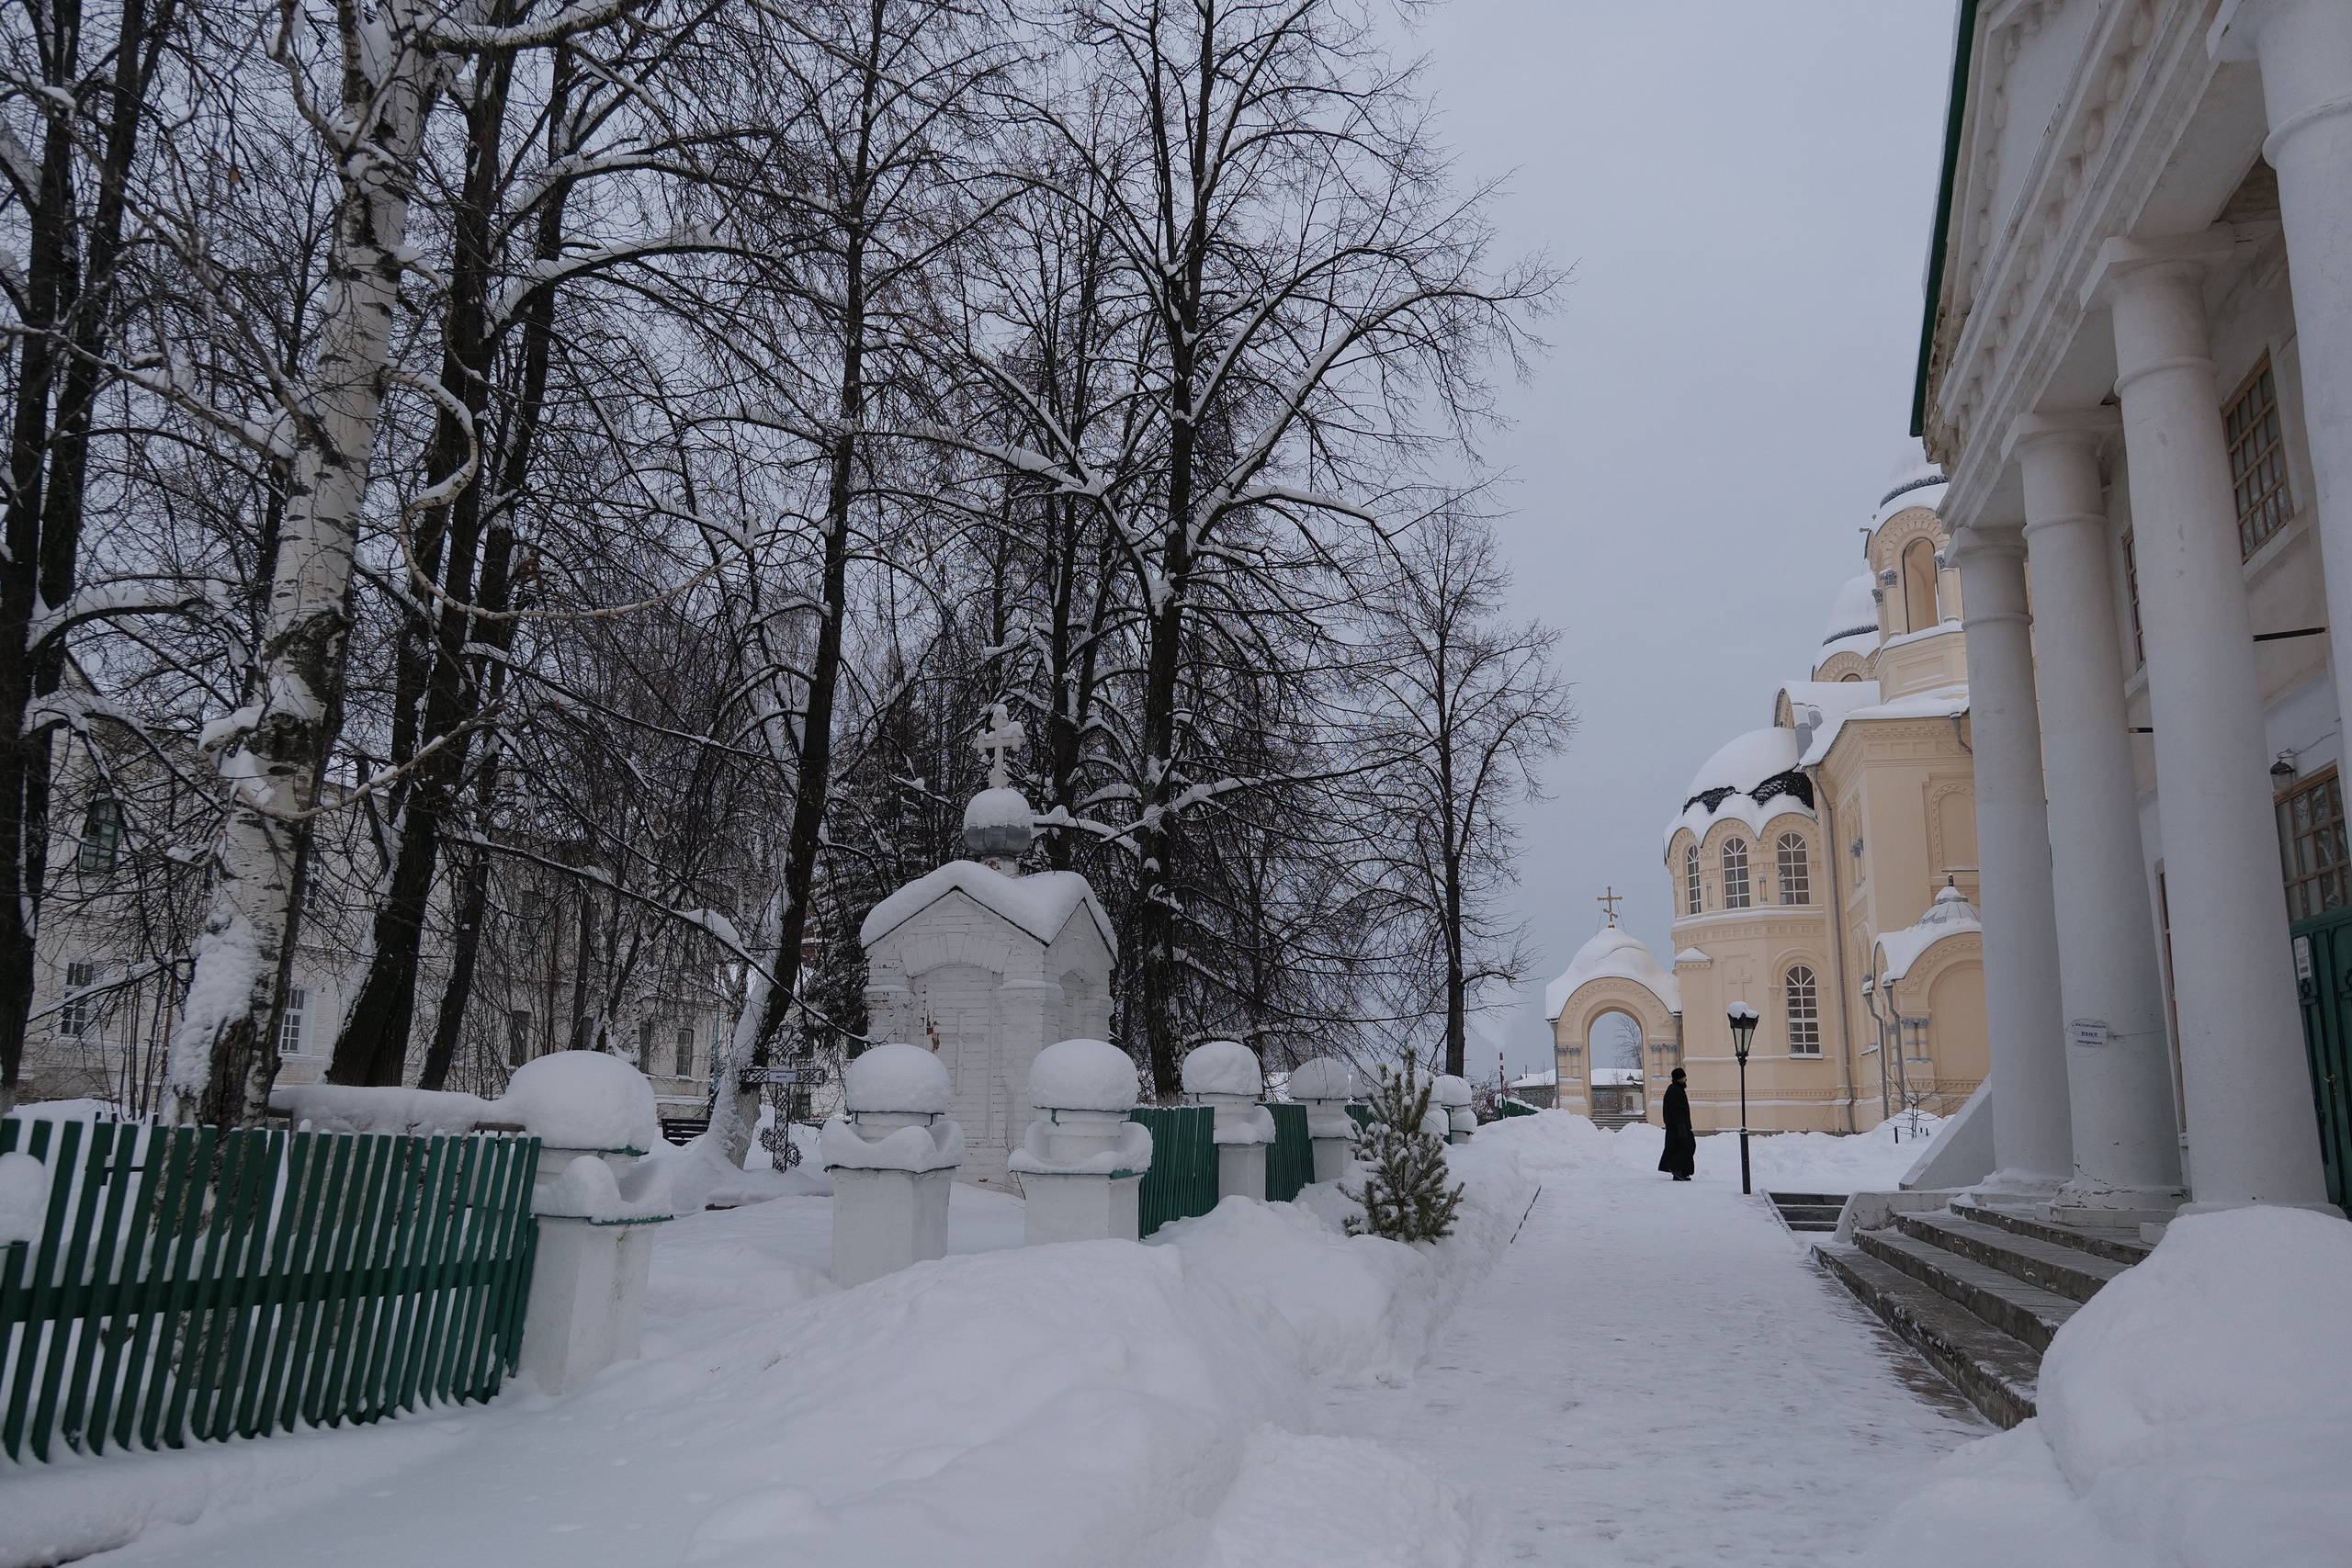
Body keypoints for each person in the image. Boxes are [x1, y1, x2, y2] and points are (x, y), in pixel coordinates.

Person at [1658, 1066, 1695, 1180]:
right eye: (1684, 1077)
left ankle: (1681, 1171)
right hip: (1678, 1127)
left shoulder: (1676, 1089)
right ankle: (1676, 1168)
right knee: (1688, 1147)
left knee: (1680, 1148)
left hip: (1679, 1126)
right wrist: (1681, 1125)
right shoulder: (1674, 1090)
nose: (1685, 1079)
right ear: (1679, 1078)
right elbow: (1676, 1110)